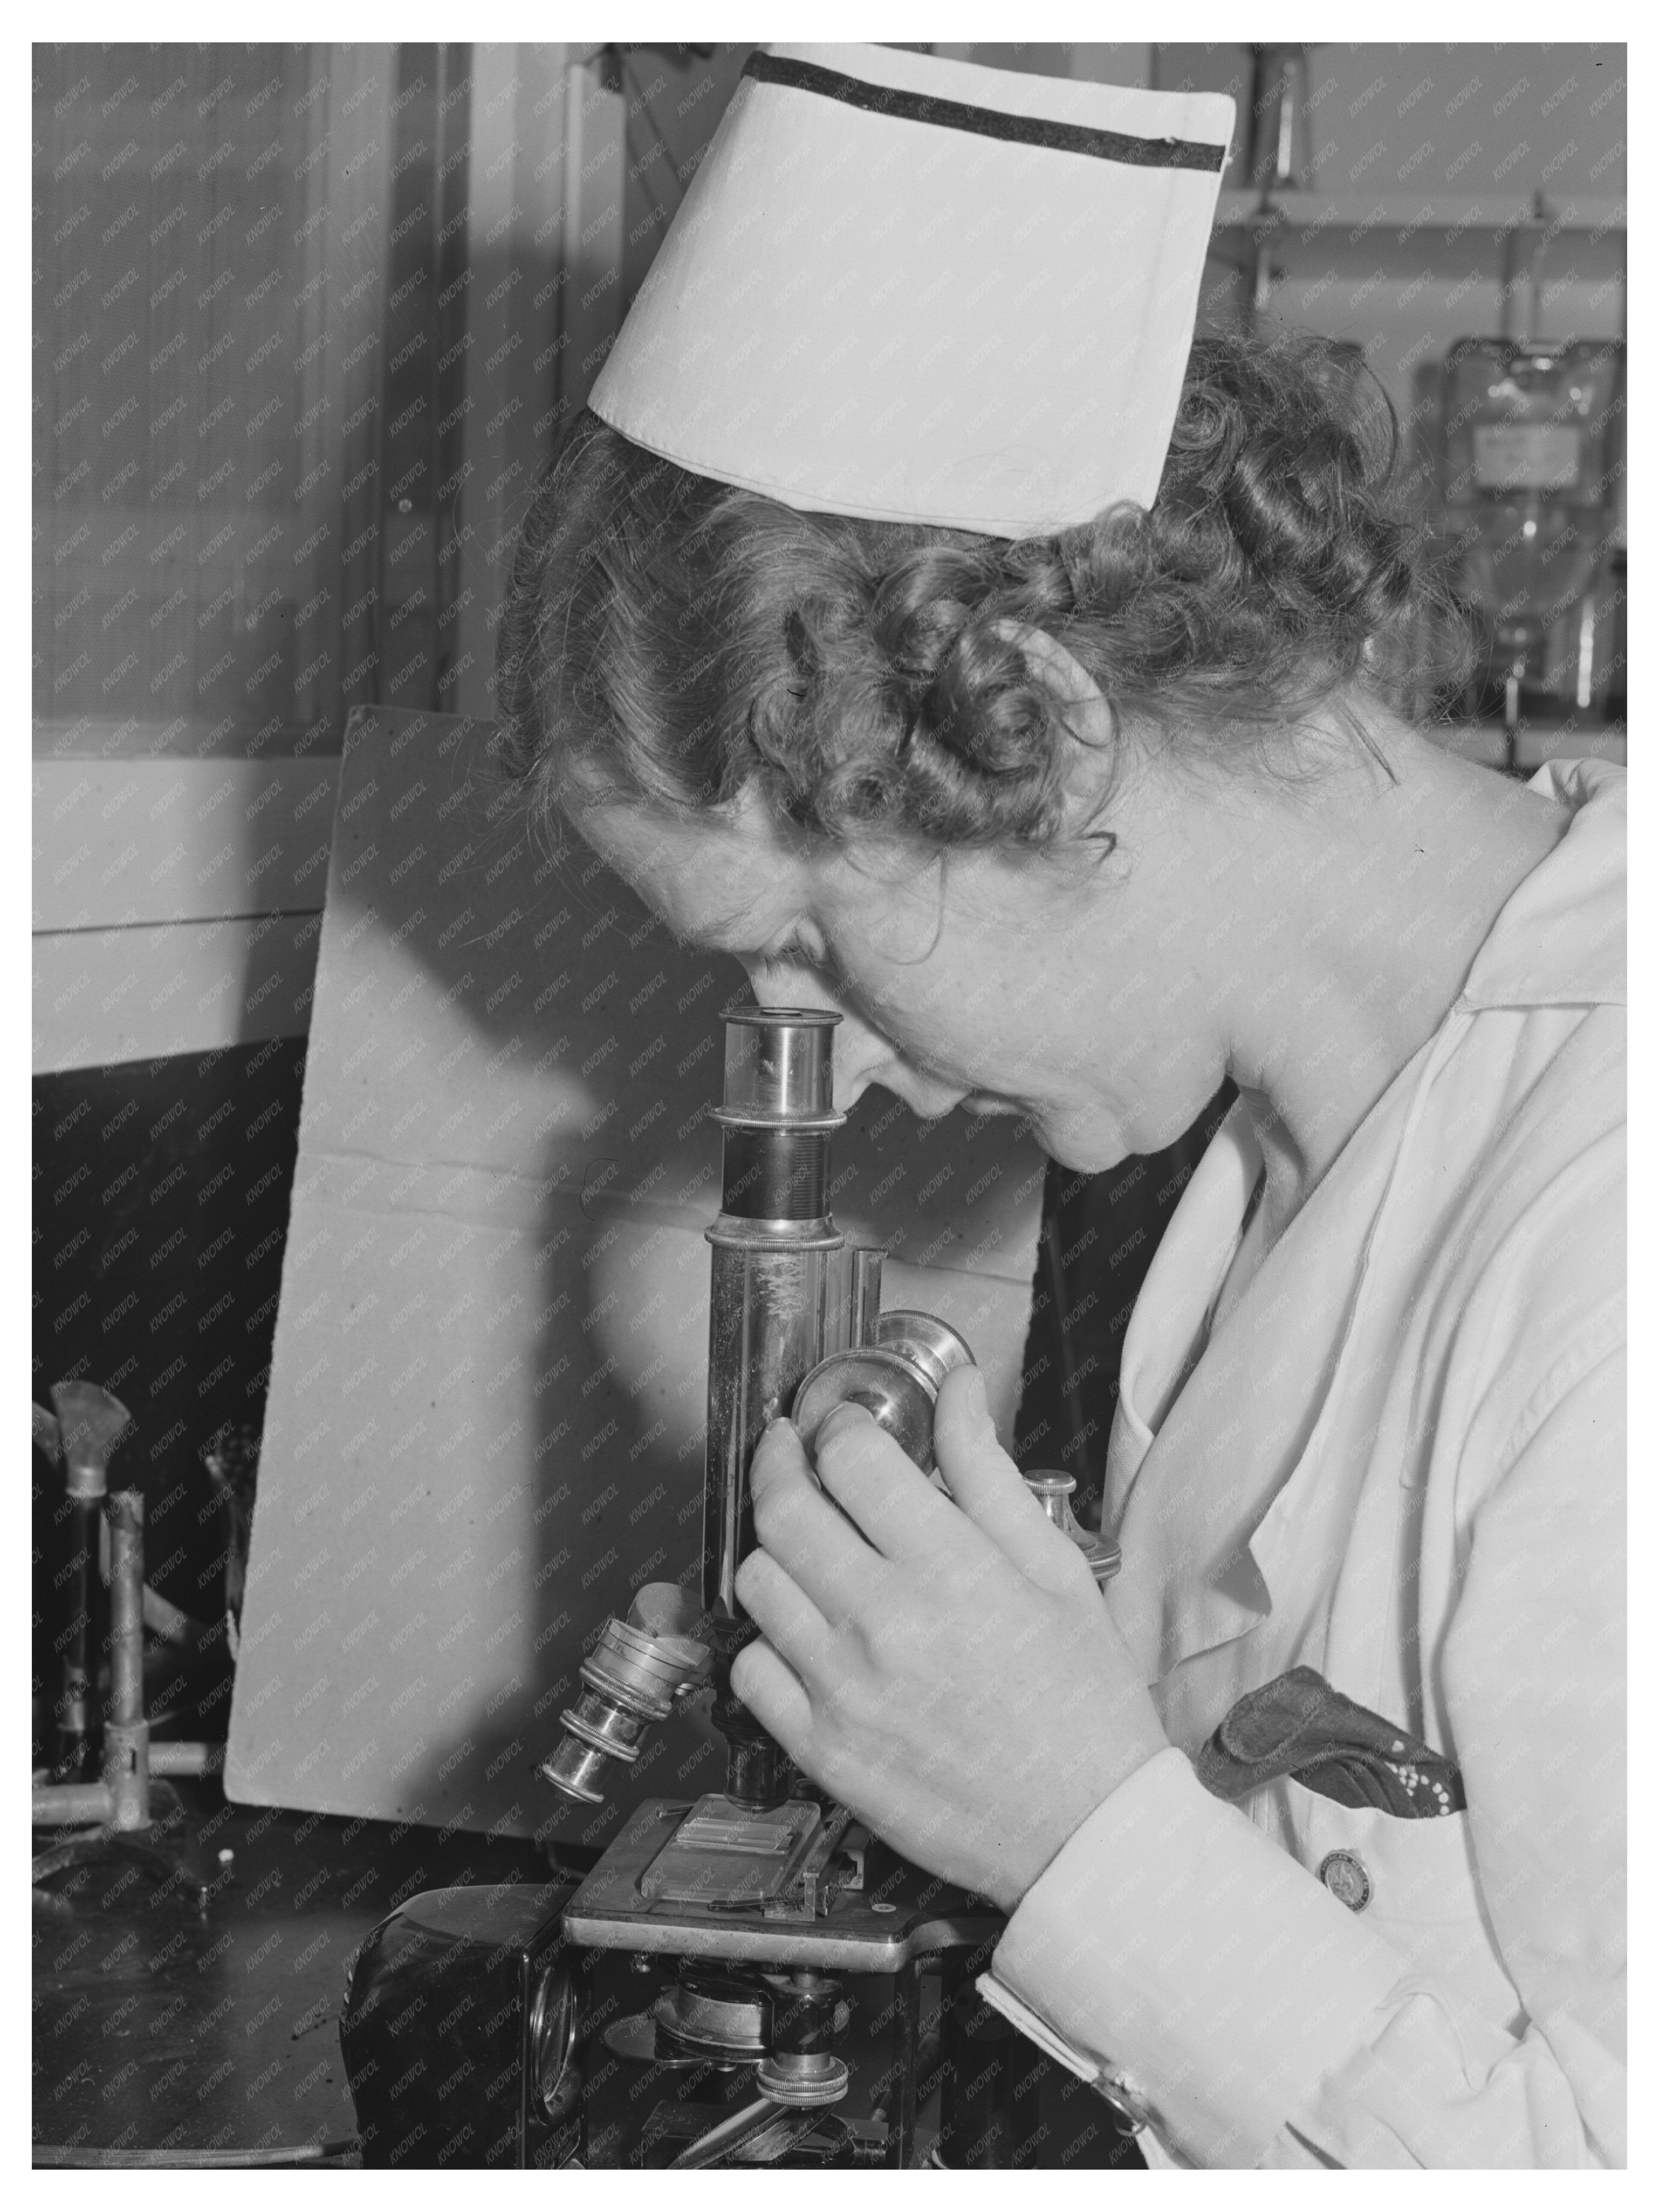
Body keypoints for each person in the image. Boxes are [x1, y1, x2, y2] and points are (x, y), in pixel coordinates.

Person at [493, 46, 1625, 2168]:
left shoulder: (1617, 1222)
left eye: (813, 942)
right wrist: (959, 1682)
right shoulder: (1284, 1159)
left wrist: (1077, 1818)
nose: (822, 1045)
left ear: (1047, 738)